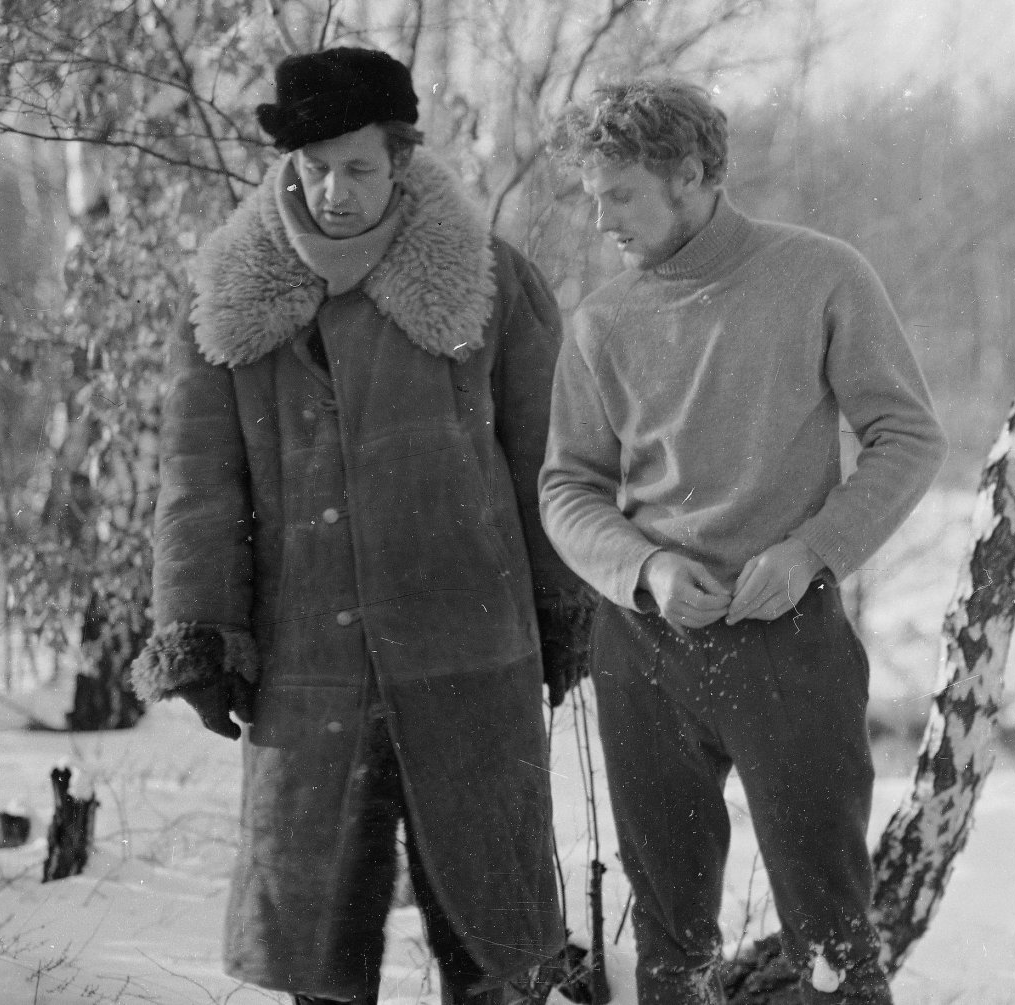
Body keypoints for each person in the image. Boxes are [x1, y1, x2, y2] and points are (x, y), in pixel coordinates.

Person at [127, 47, 591, 1005]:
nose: (334, 192)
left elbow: (549, 458)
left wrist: (562, 603)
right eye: (314, 167)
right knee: (321, 949)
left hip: (469, 647)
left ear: (404, 160)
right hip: (310, 664)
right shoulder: (227, 300)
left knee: (493, 944)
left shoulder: (486, 282)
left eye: (360, 168)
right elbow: (197, 481)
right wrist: (204, 632)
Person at [539, 80, 947, 1005]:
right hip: (647, 644)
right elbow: (567, 486)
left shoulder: (820, 275)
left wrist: (814, 550)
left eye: (622, 194)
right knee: (669, 937)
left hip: (788, 638)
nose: (602, 219)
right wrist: (642, 566)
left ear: (691, 177)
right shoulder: (602, 321)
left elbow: (909, 435)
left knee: (832, 929)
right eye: (593, 197)